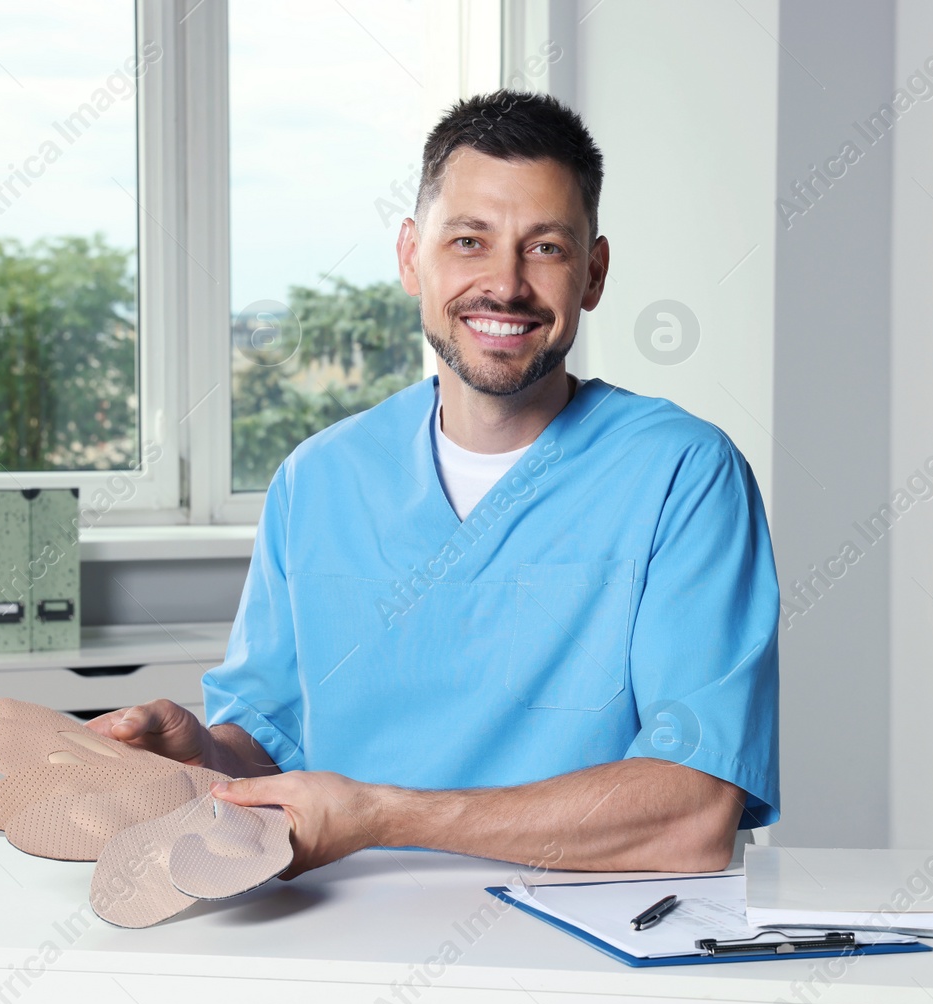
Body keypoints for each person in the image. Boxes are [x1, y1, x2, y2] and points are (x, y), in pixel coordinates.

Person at [89, 90, 779, 879]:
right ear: (411, 256)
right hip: (347, 931)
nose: (506, 284)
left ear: (594, 273)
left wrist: (386, 816)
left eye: (546, 248)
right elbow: (272, 753)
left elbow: (692, 815)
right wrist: (199, 756)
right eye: (469, 240)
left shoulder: (682, 477)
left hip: (597, 947)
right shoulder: (318, 481)